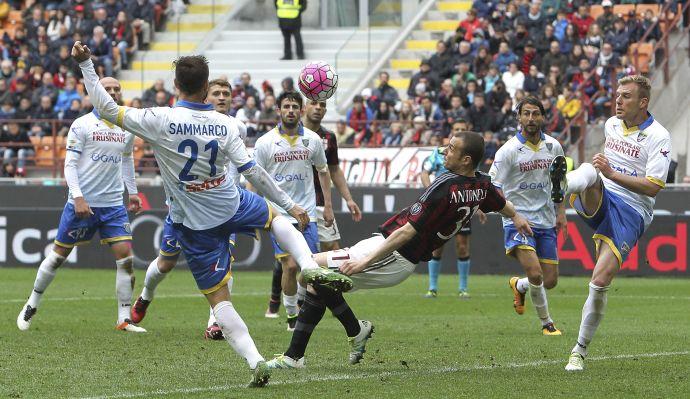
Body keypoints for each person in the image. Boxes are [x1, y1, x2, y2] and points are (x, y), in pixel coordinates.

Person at [71, 42, 352, 387]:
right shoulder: (225, 124)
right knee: (276, 218)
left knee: (219, 299)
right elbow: (252, 172)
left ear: (176, 86)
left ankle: (256, 361)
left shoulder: (158, 119)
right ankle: (309, 266)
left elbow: (105, 106)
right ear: (206, 89)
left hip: (195, 222)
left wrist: (86, 63)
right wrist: (291, 204)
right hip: (231, 203)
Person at [265, 131, 530, 369]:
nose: (444, 151)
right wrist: (517, 216)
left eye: (451, 148)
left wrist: (364, 262)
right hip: (389, 249)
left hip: (394, 254)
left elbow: (406, 232)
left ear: (466, 160)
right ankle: (340, 337)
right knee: (315, 278)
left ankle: (297, 356)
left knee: (312, 269)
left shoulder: (445, 186)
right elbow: (499, 202)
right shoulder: (481, 184)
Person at [550, 75, 672, 371]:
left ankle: (578, 351)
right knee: (593, 172)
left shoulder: (659, 136)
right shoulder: (611, 124)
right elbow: (604, 171)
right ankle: (562, 184)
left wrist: (613, 174)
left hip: (633, 210)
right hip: (602, 194)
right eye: (617, 94)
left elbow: (653, 187)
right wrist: (608, 174)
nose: (618, 100)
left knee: (600, 280)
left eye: (626, 96)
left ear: (643, 103)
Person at [16, 77, 144, 333]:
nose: (112, 92)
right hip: (82, 204)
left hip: (112, 206)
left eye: (116, 89)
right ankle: (32, 303)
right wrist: (78, 197)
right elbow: (70, 164)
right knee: (57, 258)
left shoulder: (126, 126)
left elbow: (127, 159)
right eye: (107, 89)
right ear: (95, 93)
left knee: (126, 259)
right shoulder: (82, 124)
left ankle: (123, 319)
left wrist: (132, 192)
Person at [130, 79, 246, 340]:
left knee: (225, 264)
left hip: (224, 209)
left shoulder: (237, 127)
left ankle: (215, 322)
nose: (222, 97)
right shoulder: (184, 122)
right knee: (165, 263)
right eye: (216, 93)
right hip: (183, 210)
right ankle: (146, 295)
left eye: (226, 93)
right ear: (206, 96)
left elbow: (239, 165)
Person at [264, 98, 363, 318]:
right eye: (314, 104)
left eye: (323, 105)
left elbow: (333, 170)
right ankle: (277, 303)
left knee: (327, 250)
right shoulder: (277, 138)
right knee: (288, 262)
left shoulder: (326, 138)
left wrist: (346, 199)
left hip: (317, 204)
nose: (319, 108)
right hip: (286, 206)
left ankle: (303, 300)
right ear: (304, 108)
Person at [252, 91, 334, 331]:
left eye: (294, 107)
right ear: (278, 110)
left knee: (309, 266)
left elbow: (323, 171)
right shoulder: (265, 142)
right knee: (289, 265)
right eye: (285, 106)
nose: (290, 110)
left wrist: (328, 206)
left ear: (301, 111)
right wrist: (252, 211)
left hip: (307, 213)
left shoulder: (313, 140)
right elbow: (254, 177)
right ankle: (291, 315)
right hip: (278, 214)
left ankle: (296, 301)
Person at [488, 96, 567, 336]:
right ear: (519, 117)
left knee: (549, 280)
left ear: (543, 117)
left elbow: (559, 180)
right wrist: (512, 215)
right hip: (518, 221)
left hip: (545, 219)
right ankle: (547, 324)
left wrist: (561, 212)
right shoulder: (508, 150)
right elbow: (495, 186)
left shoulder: (554, 146)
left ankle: (518, 285)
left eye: (535, 114)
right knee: (535, 273)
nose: (531, 119)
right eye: (526, 114)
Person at [421, 120, 482, 299]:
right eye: (457, 130)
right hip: (441, 208)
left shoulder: (471, 157)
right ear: (451, 133)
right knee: (436, 247)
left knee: (462, 247)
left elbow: (476, 181)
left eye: (463, 129)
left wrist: (479, 207)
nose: (460, 131)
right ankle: (432, 288)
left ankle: (463, 288)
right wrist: (430, 192)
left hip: (463, 206)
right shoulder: (439, 153)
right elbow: (424, 172)